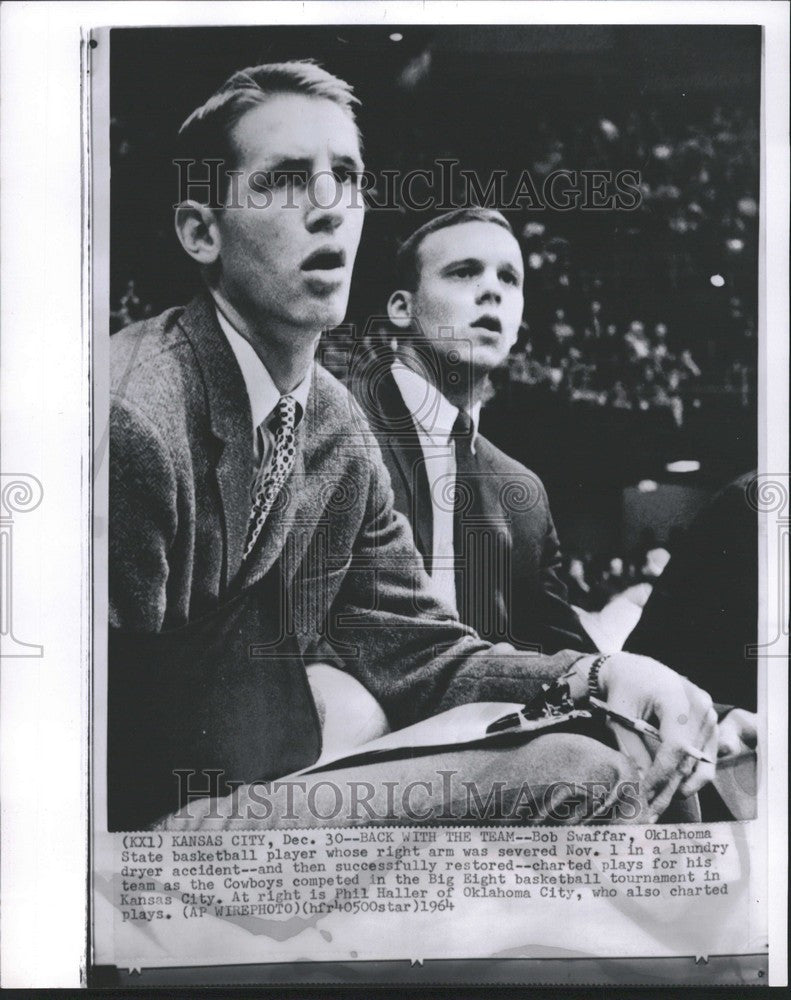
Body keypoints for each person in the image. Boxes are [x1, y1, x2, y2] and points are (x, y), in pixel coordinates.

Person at [109, 60, 717, 831]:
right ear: (202, 231)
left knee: (622, 746)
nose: (329, 208)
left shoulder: (331, 422)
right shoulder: (134, 416)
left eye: (348, 177)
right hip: (137, 839)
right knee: (578, 773)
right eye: (288, 179)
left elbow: (422, 653)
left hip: (273, 778)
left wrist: (598, 674)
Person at [352, 208, 594, 656]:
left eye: (509, 279)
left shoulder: (525, 496)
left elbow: (574, 660)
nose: (492, 292)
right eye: (464, 273)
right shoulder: (337, 429)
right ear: (403, 308)